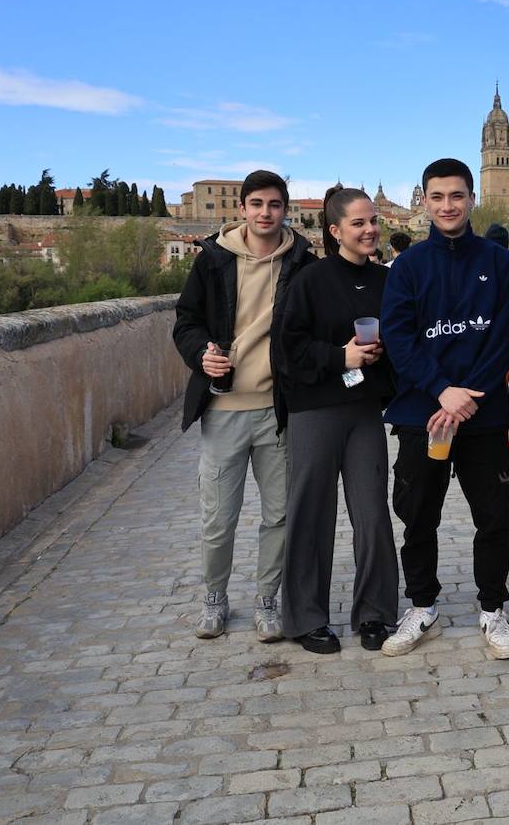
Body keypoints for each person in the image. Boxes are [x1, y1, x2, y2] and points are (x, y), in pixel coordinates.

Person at [378, 158, 509, 659]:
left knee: (493, 515)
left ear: (472, 199)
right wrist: (442, 391)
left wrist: (465, 398)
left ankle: (493, 608)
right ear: (424, 200)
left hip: (482, 416)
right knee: (418, 514)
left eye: (456, 196)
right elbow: (399, 338)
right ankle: (422, 606)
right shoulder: (409, 267)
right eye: (437, 197)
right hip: (424, 415)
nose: (447, 205)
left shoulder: (502, 265)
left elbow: (504, 337)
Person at [171, 169, 316, 640]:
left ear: (285, 209)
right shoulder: (212, 260)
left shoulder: (302, 261)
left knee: (278, 515)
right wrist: (199, 354)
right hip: (224, 410)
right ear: (242, 209)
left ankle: (267, 600)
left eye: (274, 205)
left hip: (278, 410)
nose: (266, 213)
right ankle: (214, 598)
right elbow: (185, 322)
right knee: (219, 517)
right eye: (257, 204)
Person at [277, 186, 398, 654]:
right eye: (359, 223)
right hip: (315, 410)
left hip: (365, 410)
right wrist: (339, 356)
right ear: (334, 231)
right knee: (312, 513)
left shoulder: (388, 282)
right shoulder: (310, 280)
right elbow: (287, 349)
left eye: (373, 222)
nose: (370, 230)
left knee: (372, 514)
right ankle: (306, 618)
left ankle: (374, 614)